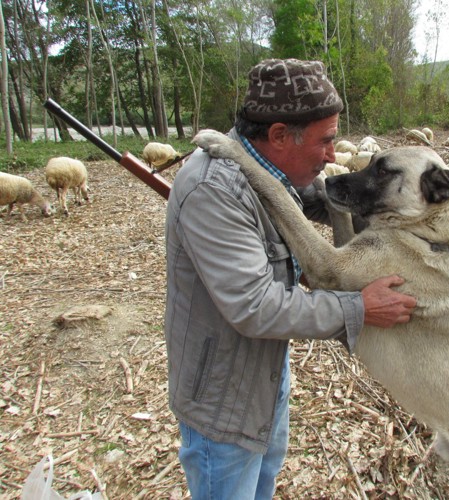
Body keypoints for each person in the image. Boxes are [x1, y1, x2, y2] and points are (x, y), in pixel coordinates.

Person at [164, 58, 417, 500]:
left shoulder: (271, 172)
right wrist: (359, 308)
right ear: (280, 135)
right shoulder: (214, 190)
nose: (333, 155)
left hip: (263, 379)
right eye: (326, 141)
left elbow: (302, 201)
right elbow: (255, 305)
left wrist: (357, 200)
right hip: (222, 401)